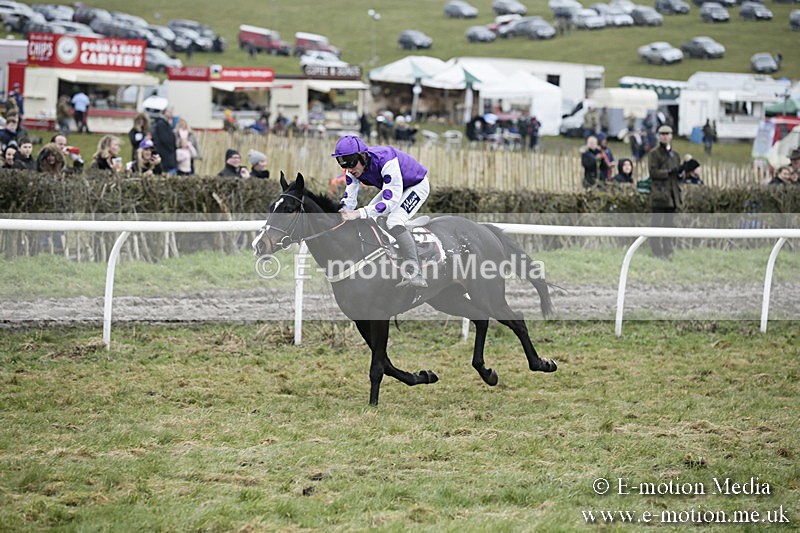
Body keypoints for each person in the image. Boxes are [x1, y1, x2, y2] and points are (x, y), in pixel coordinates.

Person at [332, 135, 430, 288]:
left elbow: (390, 202)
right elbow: (349, 201)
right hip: (395, 187)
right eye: (343, 163)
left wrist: (358, 213)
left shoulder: (386, 160)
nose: (349, 169)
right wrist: (339, 214)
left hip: (416, 185)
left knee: (394, 220)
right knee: (370, 218)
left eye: (351, 162)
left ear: (363, 156)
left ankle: (415, 272)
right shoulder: (352, 170)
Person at [647, 125, 683, 260]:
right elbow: (653, 172)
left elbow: (678, 174)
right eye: (662, 134)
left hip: (672, 194)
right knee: (656, 223)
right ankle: (656, 251)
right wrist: (668, 173)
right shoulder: (654, 154)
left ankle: (668, 249)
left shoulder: (675, 155)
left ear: (671, 136)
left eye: (667, 134)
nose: (665, 136)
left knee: (669, 224)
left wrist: (680, 174)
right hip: (660, 193)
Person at [147, 101, 177, 175]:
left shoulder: (163, 124)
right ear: (165, 112)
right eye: (170, 112)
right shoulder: (162, 124)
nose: (172, 114)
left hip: (166, 157)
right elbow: (166, 140)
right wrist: (173, 146)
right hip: (166, 158)